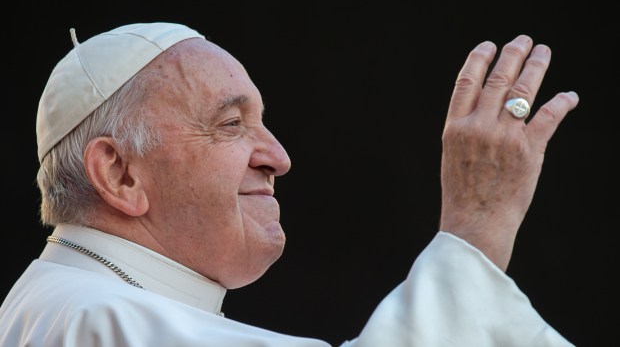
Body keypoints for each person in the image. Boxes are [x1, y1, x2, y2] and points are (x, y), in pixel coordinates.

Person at [0, 22, 578, 346]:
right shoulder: (100, 319)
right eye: (230, 124)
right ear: (120, 174)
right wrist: (477, 228)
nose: (278, 157)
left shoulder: (62, 299)